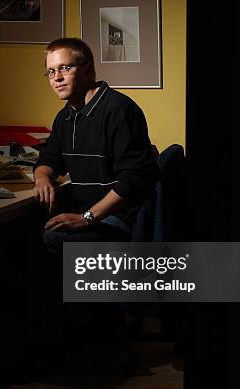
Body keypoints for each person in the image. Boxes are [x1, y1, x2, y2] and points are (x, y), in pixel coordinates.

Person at [33, 38, 157, 255]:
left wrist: (86, 218)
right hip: (89, 213)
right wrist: (42, 178)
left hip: (121, 218)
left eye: (65, 68)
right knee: (28, 227)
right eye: (51, 72)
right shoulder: (65, 117)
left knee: (51, 238)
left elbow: (134, 179)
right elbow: (48, 159)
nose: (57, 78)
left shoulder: (119, 110)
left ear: (88, 69)